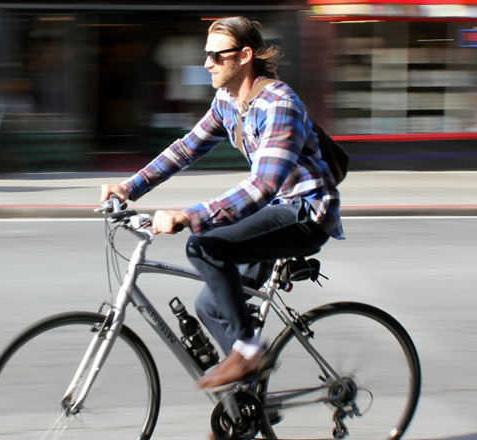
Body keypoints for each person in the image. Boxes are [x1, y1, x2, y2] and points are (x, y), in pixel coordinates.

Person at [100, 16, 344, 391]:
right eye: (206, 54)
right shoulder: (228, 102)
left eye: (217, 55)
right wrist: (129, 188)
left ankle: (248, 351)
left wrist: (189, 216)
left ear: (244, 56)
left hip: (306, 212)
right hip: (274, 210)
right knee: (211, 306)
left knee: (204, 245)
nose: (207, 63)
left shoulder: (279, 105)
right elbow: (186, 148)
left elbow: (263, 185)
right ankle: (248, 403)